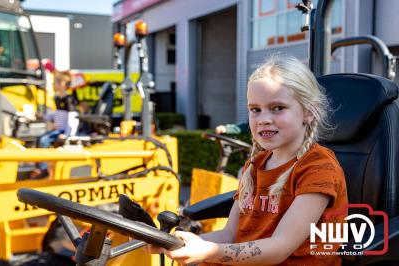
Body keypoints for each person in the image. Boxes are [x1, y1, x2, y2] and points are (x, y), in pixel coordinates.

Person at [146, 55, 348, 265]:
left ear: (309, 111)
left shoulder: (318, 169)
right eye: (255, 110)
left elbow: (280, 247)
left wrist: (209, 252)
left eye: (277, 108)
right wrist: (176, 243)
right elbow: (230, 234)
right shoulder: (255, 166)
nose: (263, 119)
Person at [31, 70, 79, 179]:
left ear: (62, 83)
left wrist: (68, 134)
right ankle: (39, 166)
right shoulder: (57, 98)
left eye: (55, 82)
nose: (53, 85)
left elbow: (72, 118)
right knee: (38, 139)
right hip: (58, 129)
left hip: (63, 131)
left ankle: (44, 169)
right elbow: (55, 114)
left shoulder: (69, 99)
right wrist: (42, 116)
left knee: (44, 140)